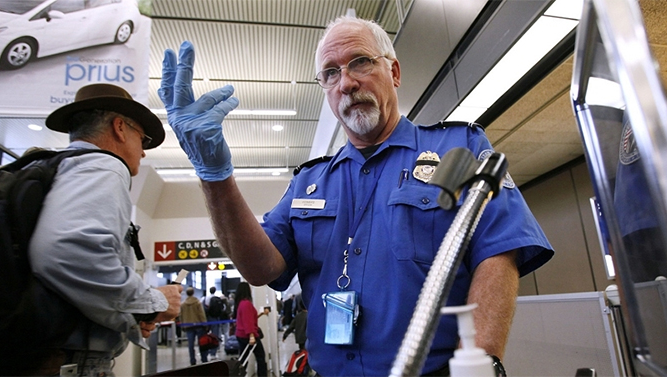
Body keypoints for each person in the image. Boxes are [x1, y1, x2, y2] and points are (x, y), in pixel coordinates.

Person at [159, 16, 554, 376]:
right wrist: (215, 176)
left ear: (394, 71)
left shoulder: (459, 148)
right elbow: (262, 269)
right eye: (330, 73)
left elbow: (498, 250)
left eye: (360, 62)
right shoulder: (310, 182)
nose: (346, 82)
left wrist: (481, 362)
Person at [29, 83, 183, 376]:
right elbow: (67, 251)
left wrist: (131, 312)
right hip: (73, 362)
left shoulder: (55, 168)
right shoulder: (103, 166)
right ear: (120, 128)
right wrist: (153, 301)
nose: (144, 152)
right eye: (143, 137)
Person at [234, 282, 269, 377]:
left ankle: (239, 374)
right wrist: (252, 336)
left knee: (243, 358)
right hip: (248, 336)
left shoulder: (241, 304)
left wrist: (262, 314)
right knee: (261, 357)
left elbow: (249, 318)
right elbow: (248, 322)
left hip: (241, 335)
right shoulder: (246, 304)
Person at [180, 287, 209, 365]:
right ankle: (204, 359)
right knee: (202, 343)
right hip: (199, 325)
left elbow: (181, 316)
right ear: (193, 293)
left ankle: (192, 360)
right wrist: (205, 324)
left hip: (188, 326)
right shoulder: (197, 303)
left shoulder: (183, 304)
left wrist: (183, 325)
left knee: (190, 345)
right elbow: (201, 314)